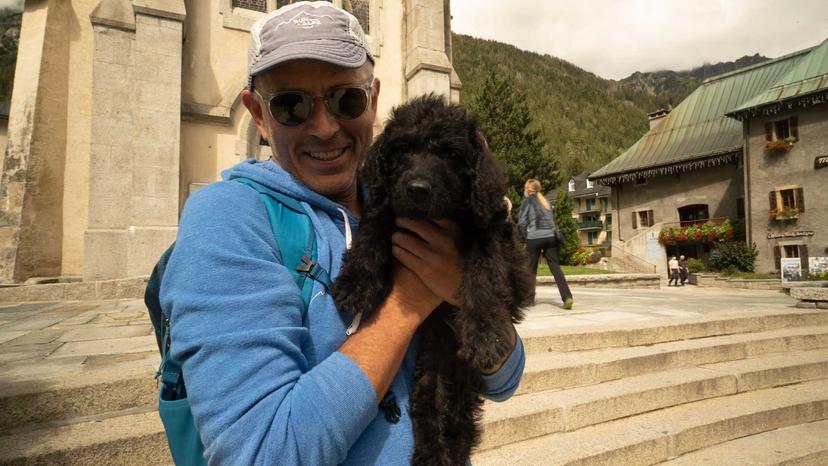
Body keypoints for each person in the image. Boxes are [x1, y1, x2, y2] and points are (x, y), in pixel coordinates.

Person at [158, 2, 524, 464]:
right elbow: (262, 454)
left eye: (345, 101)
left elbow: (505, 377)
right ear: (257, 112)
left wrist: (465, 292)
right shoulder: (227, 218)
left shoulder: (398, 200)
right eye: (290, 105)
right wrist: (411, 299)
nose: (325, 127)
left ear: (371, 100)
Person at [518, 179, 573, 309]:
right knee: (556, 268)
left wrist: (527, 237)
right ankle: (567, 297)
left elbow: (521, 223)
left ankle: (528, 300)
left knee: (530, 269)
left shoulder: (527, 201)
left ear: (527, 189)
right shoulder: (546, 201)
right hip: (551, 238)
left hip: (534, 237)